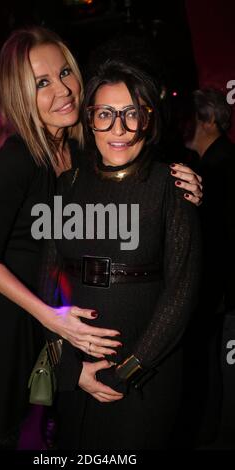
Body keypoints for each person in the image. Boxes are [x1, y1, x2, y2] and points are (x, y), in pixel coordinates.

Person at [0, 27, 203, 450]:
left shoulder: (82, 152)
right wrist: (50, 319)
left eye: (64, 72)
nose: (61, 89)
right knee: (9, 435)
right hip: (19, 319)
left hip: (64, 319)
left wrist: (185, 184)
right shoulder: (19, 157)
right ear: (21, 94)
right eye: (41, 82)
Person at [49, 59, 202, 450]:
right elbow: (47, 278)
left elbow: (181, 294)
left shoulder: (172, 185)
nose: (118, 129)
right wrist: (71, 367)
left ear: (147, 120)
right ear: (89, 119)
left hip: (145, 378)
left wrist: (127, 371)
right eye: (105, 114)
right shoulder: (69, 185)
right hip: (76, 369)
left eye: (130, 114)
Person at [179, 89, 235, 446]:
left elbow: (219, 239)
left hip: (220, 292)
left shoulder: (222, 166)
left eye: (193, 117)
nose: (184, 125)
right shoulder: (208, 164)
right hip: (216, 291)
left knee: (213, 375)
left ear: (210, 121)